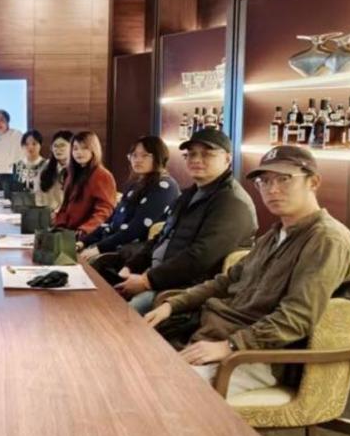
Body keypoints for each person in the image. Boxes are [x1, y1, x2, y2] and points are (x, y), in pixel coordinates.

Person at [145, 145, 350, 397]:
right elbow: (226, 281)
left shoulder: (327, 240)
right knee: (134, 365)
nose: (272, 189)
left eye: (284, 179)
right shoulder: (275, 234)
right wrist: (172, 305)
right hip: (214, 333)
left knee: (159, 392)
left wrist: (230, 346)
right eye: (264, 181)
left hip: (257, 357)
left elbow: (296, 317)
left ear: (313, 182)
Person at [109, 129, 256, 315]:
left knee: (117, 316)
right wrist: (130, 267)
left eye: (206, 154)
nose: (196, 160)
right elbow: (161, 238)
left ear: (227, 159)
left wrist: (147, 281)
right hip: (157, 277)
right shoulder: (190, 193)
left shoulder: (233, 202)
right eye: (191, 154)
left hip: (186, 292)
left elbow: (200, 257)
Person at [79, 136, 180, 261]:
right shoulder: (136, 184)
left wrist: (98, 248)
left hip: (133, 253)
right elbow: (111, 220)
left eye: (145, 155)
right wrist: (84, 242)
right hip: (112, 244)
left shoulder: (165, 186)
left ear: (159, 156)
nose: (137, 160)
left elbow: (137, 229)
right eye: (134, 155)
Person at [52, 131, 117, 236]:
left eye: (84, 148)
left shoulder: (102, 175)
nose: (79, 152)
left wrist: (85, 230)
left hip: (88, 235)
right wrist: (60, 225)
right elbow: (65, 205)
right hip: (68, 232)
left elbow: (104, 210)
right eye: (75, 148)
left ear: (93, 149)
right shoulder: (72, 174)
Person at [36, 129, 73, 210]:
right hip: (46, 213)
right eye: (55, 146)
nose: (58, 149)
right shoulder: (45, 167)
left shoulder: (78, 169)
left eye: (62, 145)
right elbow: (38, 194)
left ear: (73, 147)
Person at [12, 130, 48, 198]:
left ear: (40, 145)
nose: (30, 147)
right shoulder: (16, 166)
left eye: (34, 144)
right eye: (26, 144)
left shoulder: (47, 165)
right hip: (21, 202)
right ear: (22, 146)